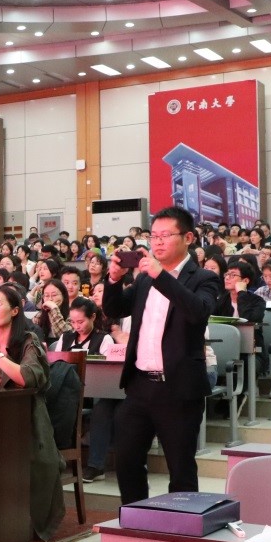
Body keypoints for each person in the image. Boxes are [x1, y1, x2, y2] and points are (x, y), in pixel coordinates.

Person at [102, 206, 219, 504]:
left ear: (188, 238)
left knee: (180, 469)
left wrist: (160, 275)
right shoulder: (143, 279)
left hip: (178, 388)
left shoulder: (203, 277)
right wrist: (113, 280)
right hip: (139, 386)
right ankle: (135, 518)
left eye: (165, 235)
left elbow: (198, 312)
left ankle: (180, 525)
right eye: (153, 236)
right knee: (127, 461)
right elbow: (115, 309)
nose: (158, 242)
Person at [0, 283, 66, 540]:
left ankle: (16, 519)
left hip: (26, 421)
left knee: (27, 462)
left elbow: (28, 377)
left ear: (16, 310)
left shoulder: (29, 341)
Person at [35, 280, 70, 349]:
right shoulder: (39, 316)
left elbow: (65, 336)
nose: (50, 299)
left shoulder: (72, 314)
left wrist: (54, 309)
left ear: (63, 295)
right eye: (46, 295)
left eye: (54, 295)